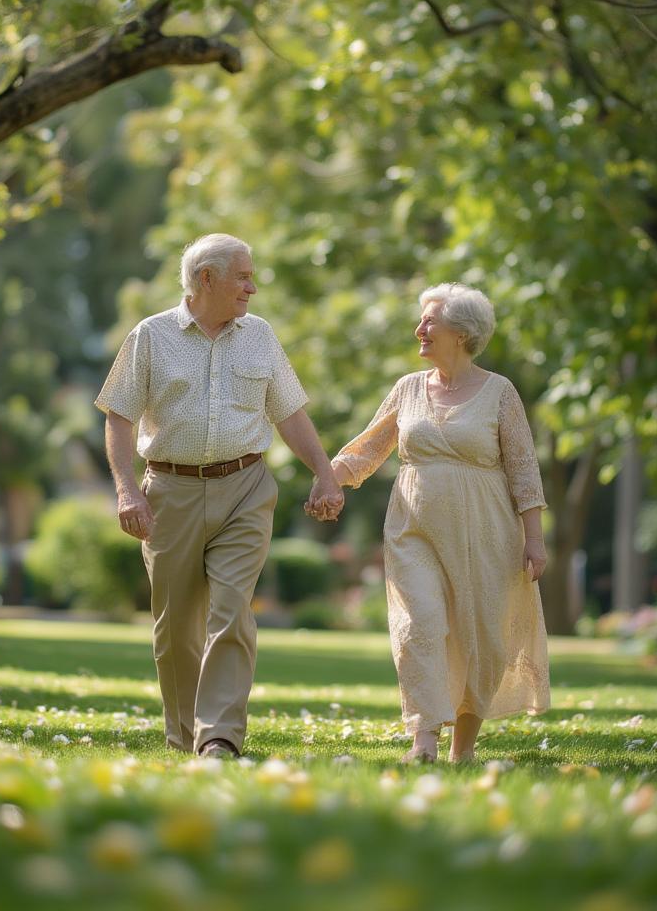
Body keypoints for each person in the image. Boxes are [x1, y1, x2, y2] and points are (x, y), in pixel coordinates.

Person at [96, 234, 343, 759]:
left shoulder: (261, 337)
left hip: (246, 488)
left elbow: (290, 414)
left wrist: (324, 472)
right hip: (169, 492)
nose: (252, 288)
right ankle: (185, 737)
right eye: (243, 277)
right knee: (176, 629)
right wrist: (125, 491)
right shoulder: (150, 337)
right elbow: (118, 418)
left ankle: (219, 739)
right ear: (206, 278)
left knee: (232, 610)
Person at [327, 283, 550, 764]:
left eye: (430, 321)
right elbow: (367, 449)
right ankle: (423, 738)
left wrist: (534, 537)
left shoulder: (499, 393)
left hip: (487, 531)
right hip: (414, 529)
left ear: (463, 332)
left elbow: (523, 468)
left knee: (480, 636)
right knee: (420, 625)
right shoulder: (407, 389)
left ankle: (462, 750)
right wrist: (330, 479)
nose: (419, 329)